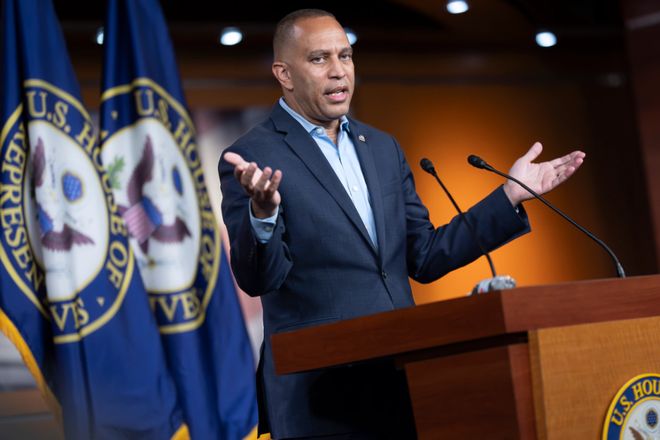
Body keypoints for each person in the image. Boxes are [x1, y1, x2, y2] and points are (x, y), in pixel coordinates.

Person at [219, 8, 584, 439]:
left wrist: (508, 197)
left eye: (345, 56)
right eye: (319, 59)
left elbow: (424, 256)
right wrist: (263, 215)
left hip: (401, 383)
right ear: (284, 73)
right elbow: (259, 279)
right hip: (319, 398)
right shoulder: (254, 156)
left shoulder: (381, 147)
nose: (338, 71)